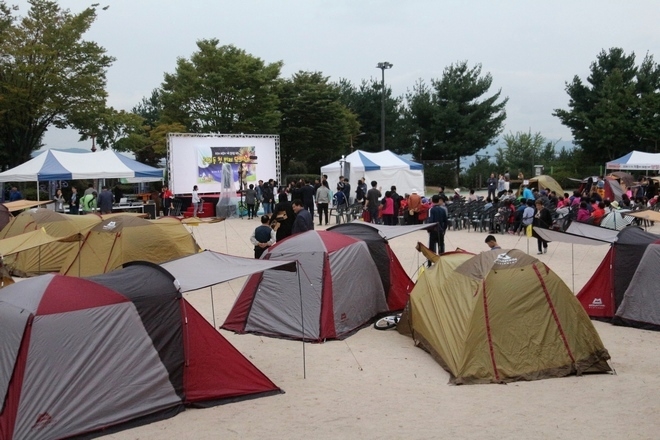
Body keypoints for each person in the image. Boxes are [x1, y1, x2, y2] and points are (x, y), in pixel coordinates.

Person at [427, 195, 448, 264]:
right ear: (439, 201)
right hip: (441, 230)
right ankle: (442, 261)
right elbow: (446, 221)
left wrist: (429, 230)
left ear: (432, 201)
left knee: (432, 247)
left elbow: (431, 221)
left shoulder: (431, 210)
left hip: (433, 230)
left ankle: (430, 262)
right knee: (441, 246)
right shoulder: (443, 210)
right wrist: (443, 230)